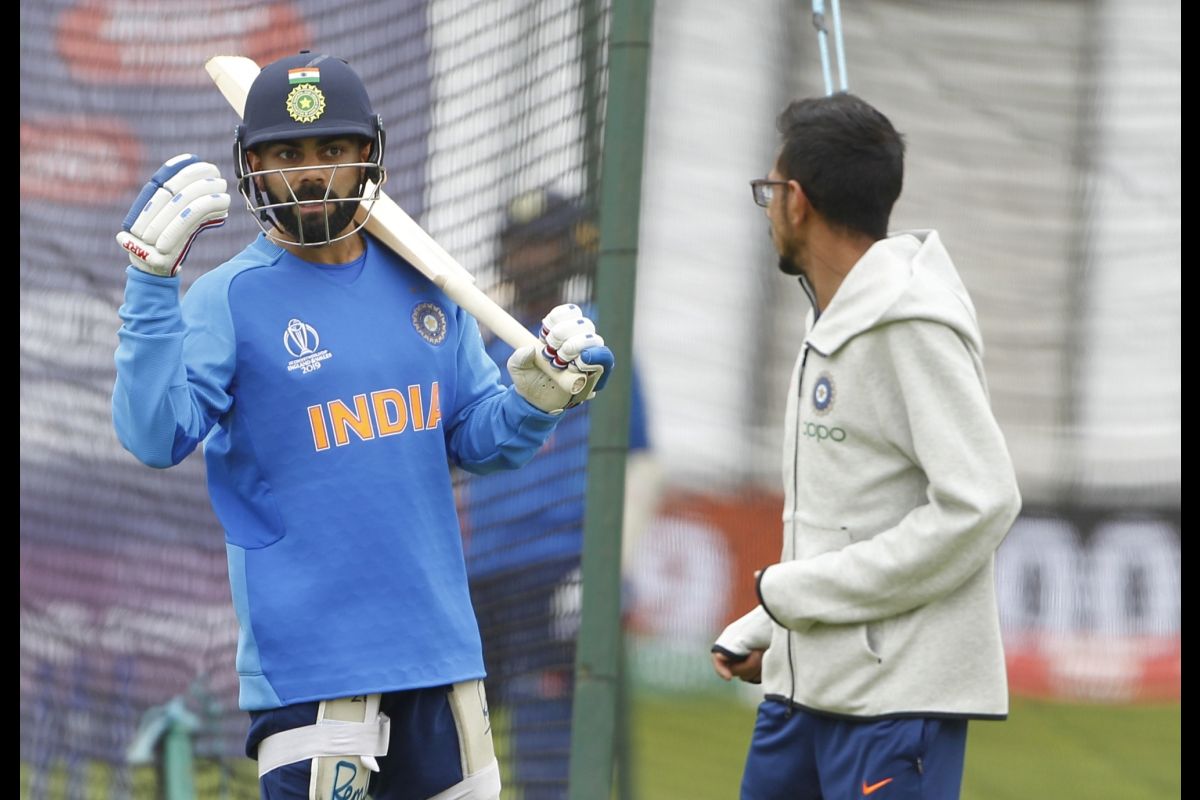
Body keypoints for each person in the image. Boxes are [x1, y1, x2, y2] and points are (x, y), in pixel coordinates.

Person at [111, 52, 614, 800]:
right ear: (253, 166)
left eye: (332, 149)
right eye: (287, 154)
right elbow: (155, 436)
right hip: (314, 665)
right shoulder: (228, 299)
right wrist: (151, 286)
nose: (312, 173)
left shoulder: (426, 281)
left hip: (440, 652)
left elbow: (476, 440)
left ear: (367, 155)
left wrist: (535, 398)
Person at [710, 93, 1021, 800]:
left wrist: (795, 595)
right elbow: (857, 513)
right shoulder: (836, 312)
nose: (766, 210)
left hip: (892, 708)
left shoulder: (910, 323)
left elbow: (982, 502)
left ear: (796, 202)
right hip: (803, 692)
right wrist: (773, 622)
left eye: (769, 191)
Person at [460, 188, 659, 799]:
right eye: (519, 245)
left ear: (572, 250)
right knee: (453, 751)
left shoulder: (594, 337)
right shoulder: (491, 338)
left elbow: (640, 460)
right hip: (484, 574)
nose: (528, 258)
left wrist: (605, 570)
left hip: (558, 572)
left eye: (542, 244)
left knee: (549, 763)